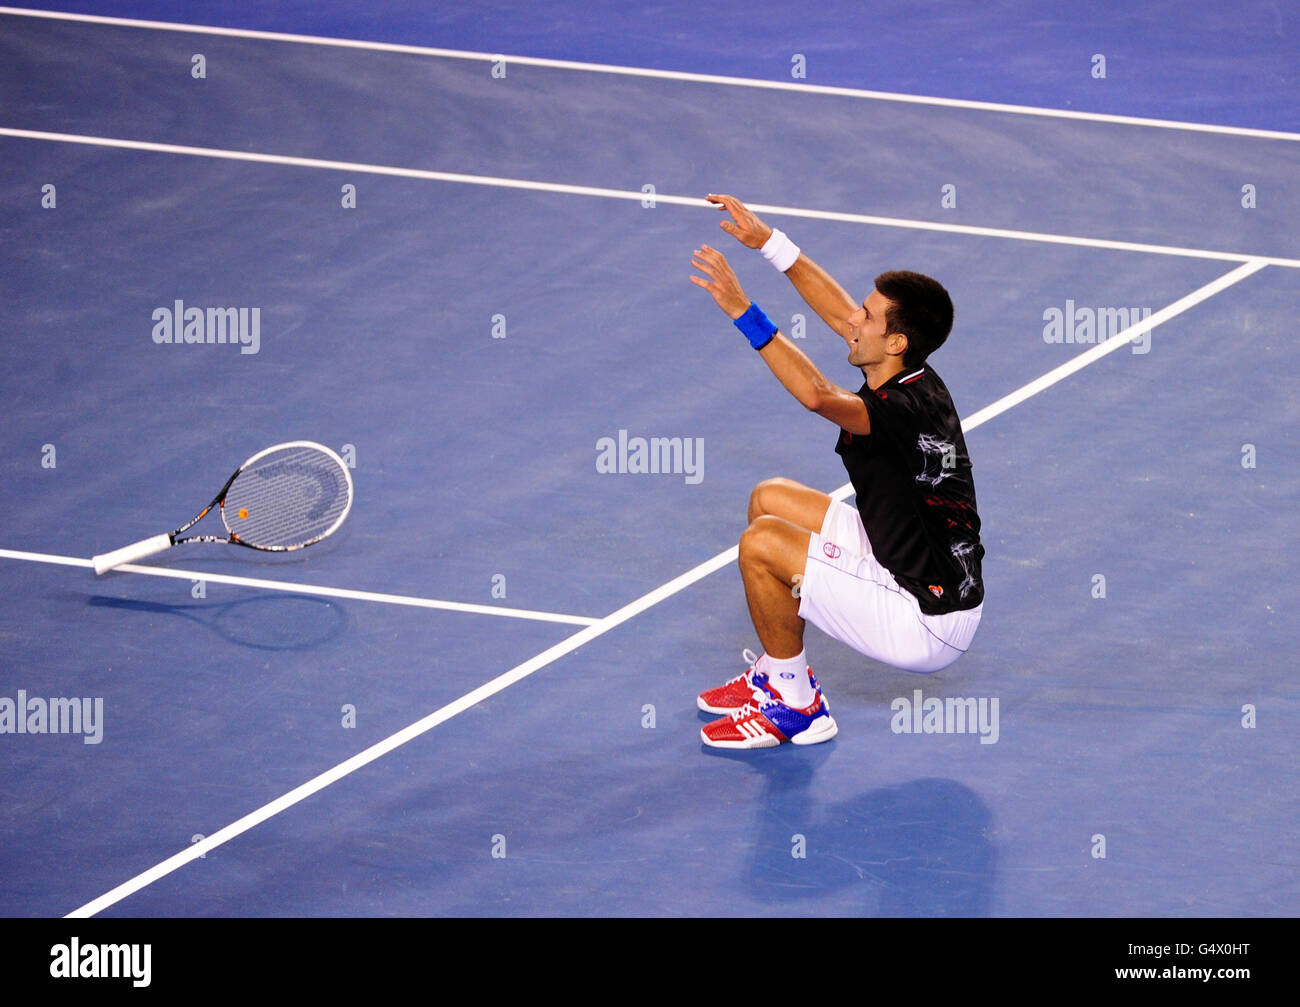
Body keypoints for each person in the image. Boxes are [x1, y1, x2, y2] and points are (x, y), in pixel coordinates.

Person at [688, 193, 984, 749]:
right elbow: (836, 310)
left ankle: (796, 706)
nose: (853, 317)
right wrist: (769, 243)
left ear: (894, 342)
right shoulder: (907, 369)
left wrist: (741, 310)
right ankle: (779, 675)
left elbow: (817, 396)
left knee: (762, 543)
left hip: (925, 615)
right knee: (769, 499)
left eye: (867, 316)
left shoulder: (896, 411)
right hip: (907, 559)